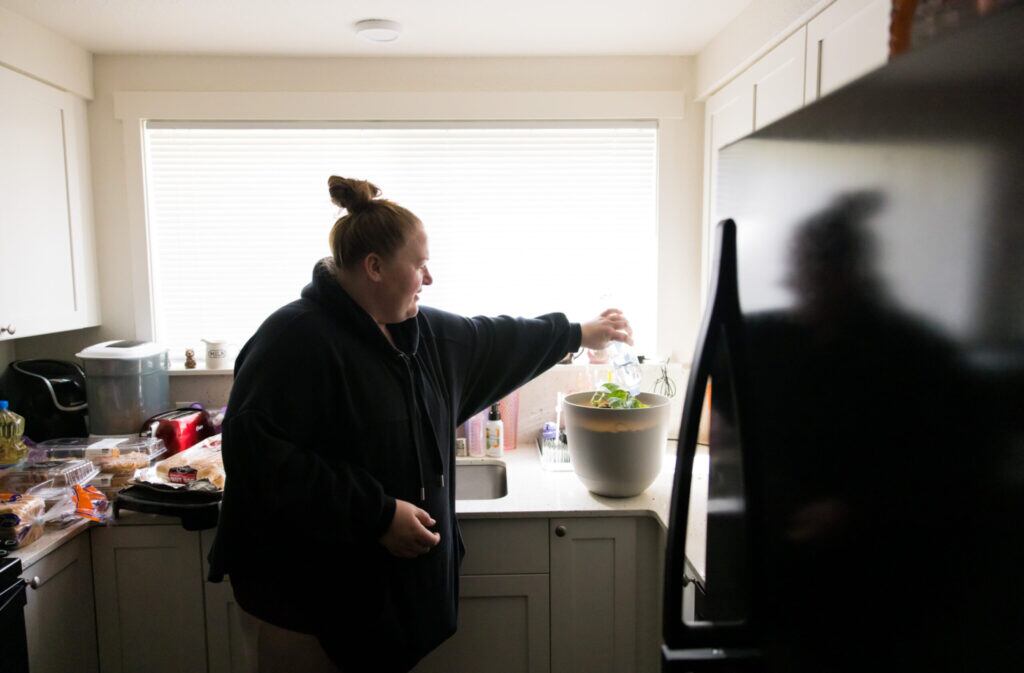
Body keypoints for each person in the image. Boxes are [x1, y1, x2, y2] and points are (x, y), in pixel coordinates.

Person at [207, 176, 634, 672]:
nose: (429, 279)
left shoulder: (420, 334)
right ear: (374, 268)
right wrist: (378, 514)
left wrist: (579, 332)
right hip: (299, 609)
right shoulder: (293, 339)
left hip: (372, 608)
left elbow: (498, 340)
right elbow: (259, 461)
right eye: (420, 264)